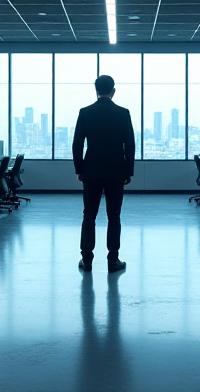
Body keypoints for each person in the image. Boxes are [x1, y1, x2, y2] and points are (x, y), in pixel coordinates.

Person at [73, 75, 135, 273]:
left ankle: (87, 260)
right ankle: (112, 260)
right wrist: (129, 171)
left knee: (89, 215)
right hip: (116, 171)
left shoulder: (85, 112)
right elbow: (130, 145)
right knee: (114, 216)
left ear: (96, 90)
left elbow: (77, 144)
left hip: (91, 171)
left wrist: (79, 169)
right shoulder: (123, 113)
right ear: (113, 91)